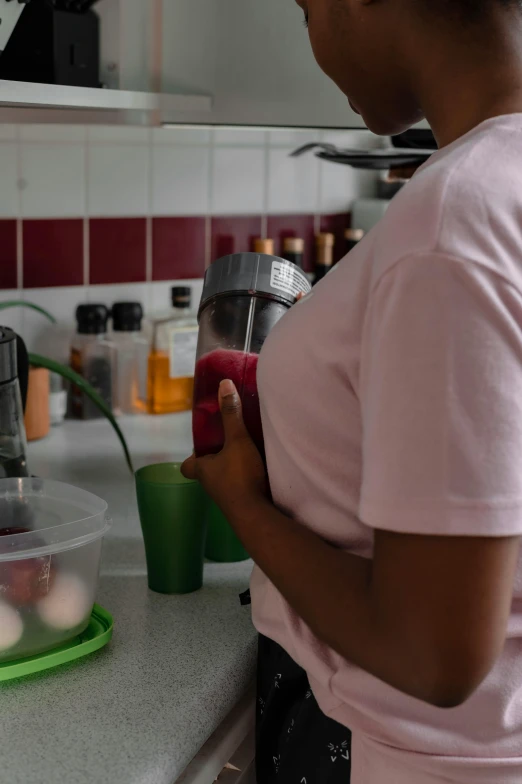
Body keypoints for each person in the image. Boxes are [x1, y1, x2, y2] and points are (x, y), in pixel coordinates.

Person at [182, 0, 522, 781]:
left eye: (306, 12)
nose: (314, 45)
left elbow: (432, 653)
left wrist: (247, 508)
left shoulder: (452, 226)